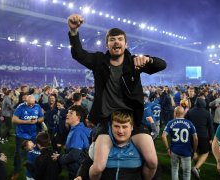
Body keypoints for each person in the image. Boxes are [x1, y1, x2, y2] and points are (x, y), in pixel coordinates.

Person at [67, 14, 167, 180]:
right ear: (107, 44)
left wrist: (148, 59)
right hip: (106, 120)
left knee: (152, 161)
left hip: (132, 121)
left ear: (125, 43)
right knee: (98, 166)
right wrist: (73, 31)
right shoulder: (99, 61)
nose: (116, 42)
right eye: (112, 39)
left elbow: (162, 64)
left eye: (120, 39)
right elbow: (78, 54)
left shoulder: (134, 62)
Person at [52, 105, 90, 179]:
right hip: (80, 170)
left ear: (78, 118)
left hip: (77, 172)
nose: (67, 114)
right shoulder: (77, 128)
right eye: (68, 112)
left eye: (71, 113)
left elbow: (73, 156)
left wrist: (59, 157)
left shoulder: (77, 131)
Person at [11, 95, 44, 180]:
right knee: (18, 154)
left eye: (32, 104)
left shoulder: (37, 106)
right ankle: (16, 172)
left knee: (35, 154)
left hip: (33, 135)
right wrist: (27, 121)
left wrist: (36, 121)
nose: (30, 105)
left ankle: (35, 171)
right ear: (26, 101)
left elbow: (42, 118)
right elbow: (14, 120)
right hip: (21, 135)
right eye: (29, 104)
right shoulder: (21, 107)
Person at [162, 106, 198, 180]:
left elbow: (163, 136)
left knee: (175, 169)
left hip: (174, 150)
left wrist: (167, 148)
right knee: (187, 172)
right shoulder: (189, 123)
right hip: (186, 151)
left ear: (175, 113)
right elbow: (195, 139)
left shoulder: (170, 122)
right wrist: (194, 151)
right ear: (183, 113)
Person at [185, 97, 214, 179]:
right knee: (205, 152)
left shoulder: (190, 112)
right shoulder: (207, 113)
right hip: (203, 136)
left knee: (194, 151)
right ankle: (196, 168)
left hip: (191, 135)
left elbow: (185, 123)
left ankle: (188, 167)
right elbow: (210, 127)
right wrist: (212, 138)